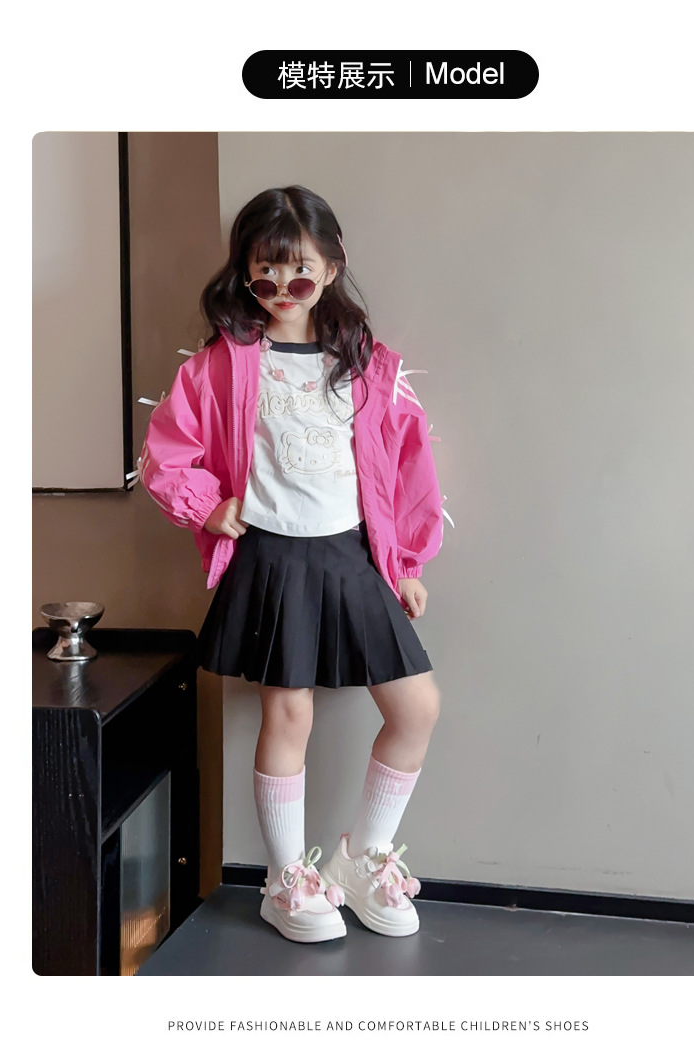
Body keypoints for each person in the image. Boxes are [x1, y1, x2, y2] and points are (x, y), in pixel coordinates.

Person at [139, 185, 444, 944]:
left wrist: (405, 560)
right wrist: (207, 506)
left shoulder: (367, 365)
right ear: (244, 273)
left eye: (300, 273)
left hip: (351, 556)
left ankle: (363, 857)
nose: (282, 288)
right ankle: (284, 880)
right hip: (273, 557)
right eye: (264, 273)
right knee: (289, 714)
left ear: (332, 268)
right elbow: (166, 453)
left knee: (416, 708)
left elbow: (407, 464)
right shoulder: (220, 366)